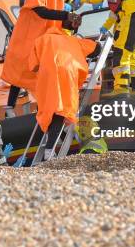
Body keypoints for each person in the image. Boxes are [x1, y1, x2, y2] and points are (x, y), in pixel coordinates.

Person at [2, 0, 81, 117]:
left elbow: (56, 20)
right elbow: (41, 11)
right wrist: (66, 15)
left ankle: (44, 109)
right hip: (27, 36)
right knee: (20, 69)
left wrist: (72, 24)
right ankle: (9, 108)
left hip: (45, 40)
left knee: (44, 73)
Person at [29, 26, 99, 160]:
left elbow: (33, 66)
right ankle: (50, 150)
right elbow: (96, 49)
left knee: (48, 109)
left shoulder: (41, 40)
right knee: (61, 111)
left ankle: (53, 140)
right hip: (66, 77)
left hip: (46, 80)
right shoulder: (73, 40)